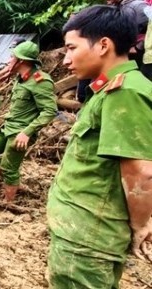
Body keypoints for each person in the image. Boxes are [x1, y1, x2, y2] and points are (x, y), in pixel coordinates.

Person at [47, 5, 152, 288]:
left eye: (71, 48)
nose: (66, 59)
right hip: (82, 232)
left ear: (103, 44)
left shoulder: (125, 92)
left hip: (88, 237)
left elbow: (140, 171)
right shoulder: (108, 89)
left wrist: (142, 225)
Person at [0, 41, 57, 202]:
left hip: (20, 133)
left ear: (21, 61)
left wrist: (27, 133)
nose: (10, 60)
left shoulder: (40, 81)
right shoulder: (20, 77)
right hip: (7, 127)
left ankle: (7, 203)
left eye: (12, 57)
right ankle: (11, 178)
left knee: (10, 168)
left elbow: (49, 111)